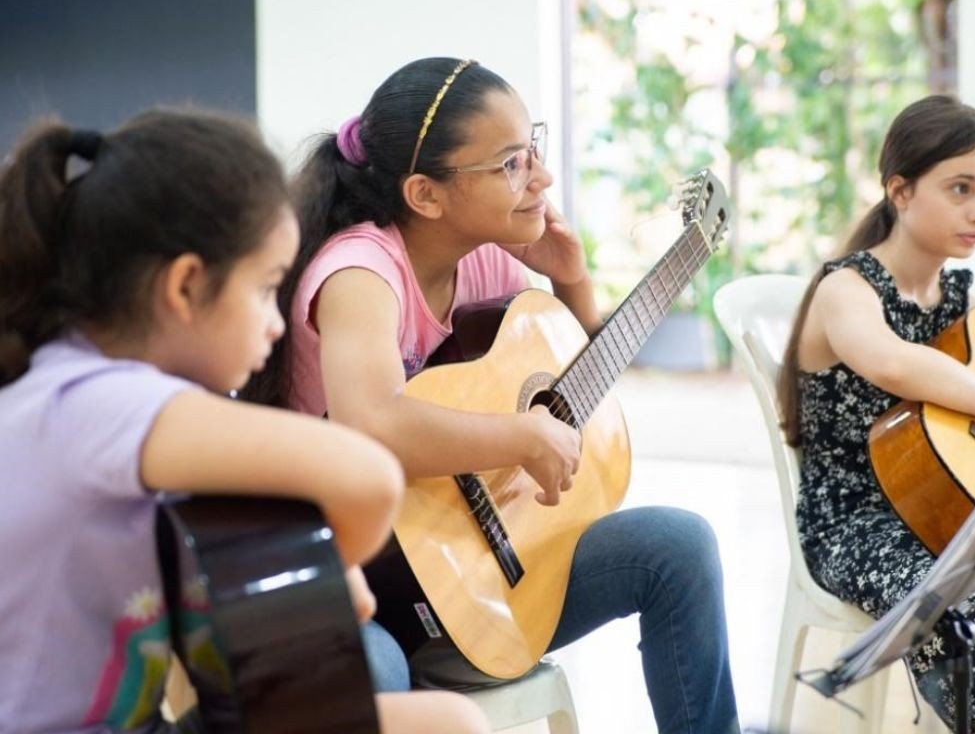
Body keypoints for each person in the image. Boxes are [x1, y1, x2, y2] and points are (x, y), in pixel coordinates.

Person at [242, 56, 741, 734]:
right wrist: (520, 437)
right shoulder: (360, 272)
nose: (542, 177)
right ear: (425, 194)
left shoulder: (480, 257)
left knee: (677, 546)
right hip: (354, 578)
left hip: (474, 572)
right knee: (379, 676)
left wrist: (574, 282)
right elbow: (372, 424)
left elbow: (574, 393)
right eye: (510, 164)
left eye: (531, 149)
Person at [0, 110, 491, 734]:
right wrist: (339, 569)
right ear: (185, 287)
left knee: (445, 720)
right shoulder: (97, 404)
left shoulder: (74, 388)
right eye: (264, 290)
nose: (277, 324)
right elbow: (367, 475)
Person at [776, 94, 975, 733]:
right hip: (852, 520)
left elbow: (968, 447)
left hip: (943, 509)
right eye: (961, 188)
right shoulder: (848, 288)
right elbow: (891, 363)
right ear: (900, 191)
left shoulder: (955, 298)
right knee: (951, 604)